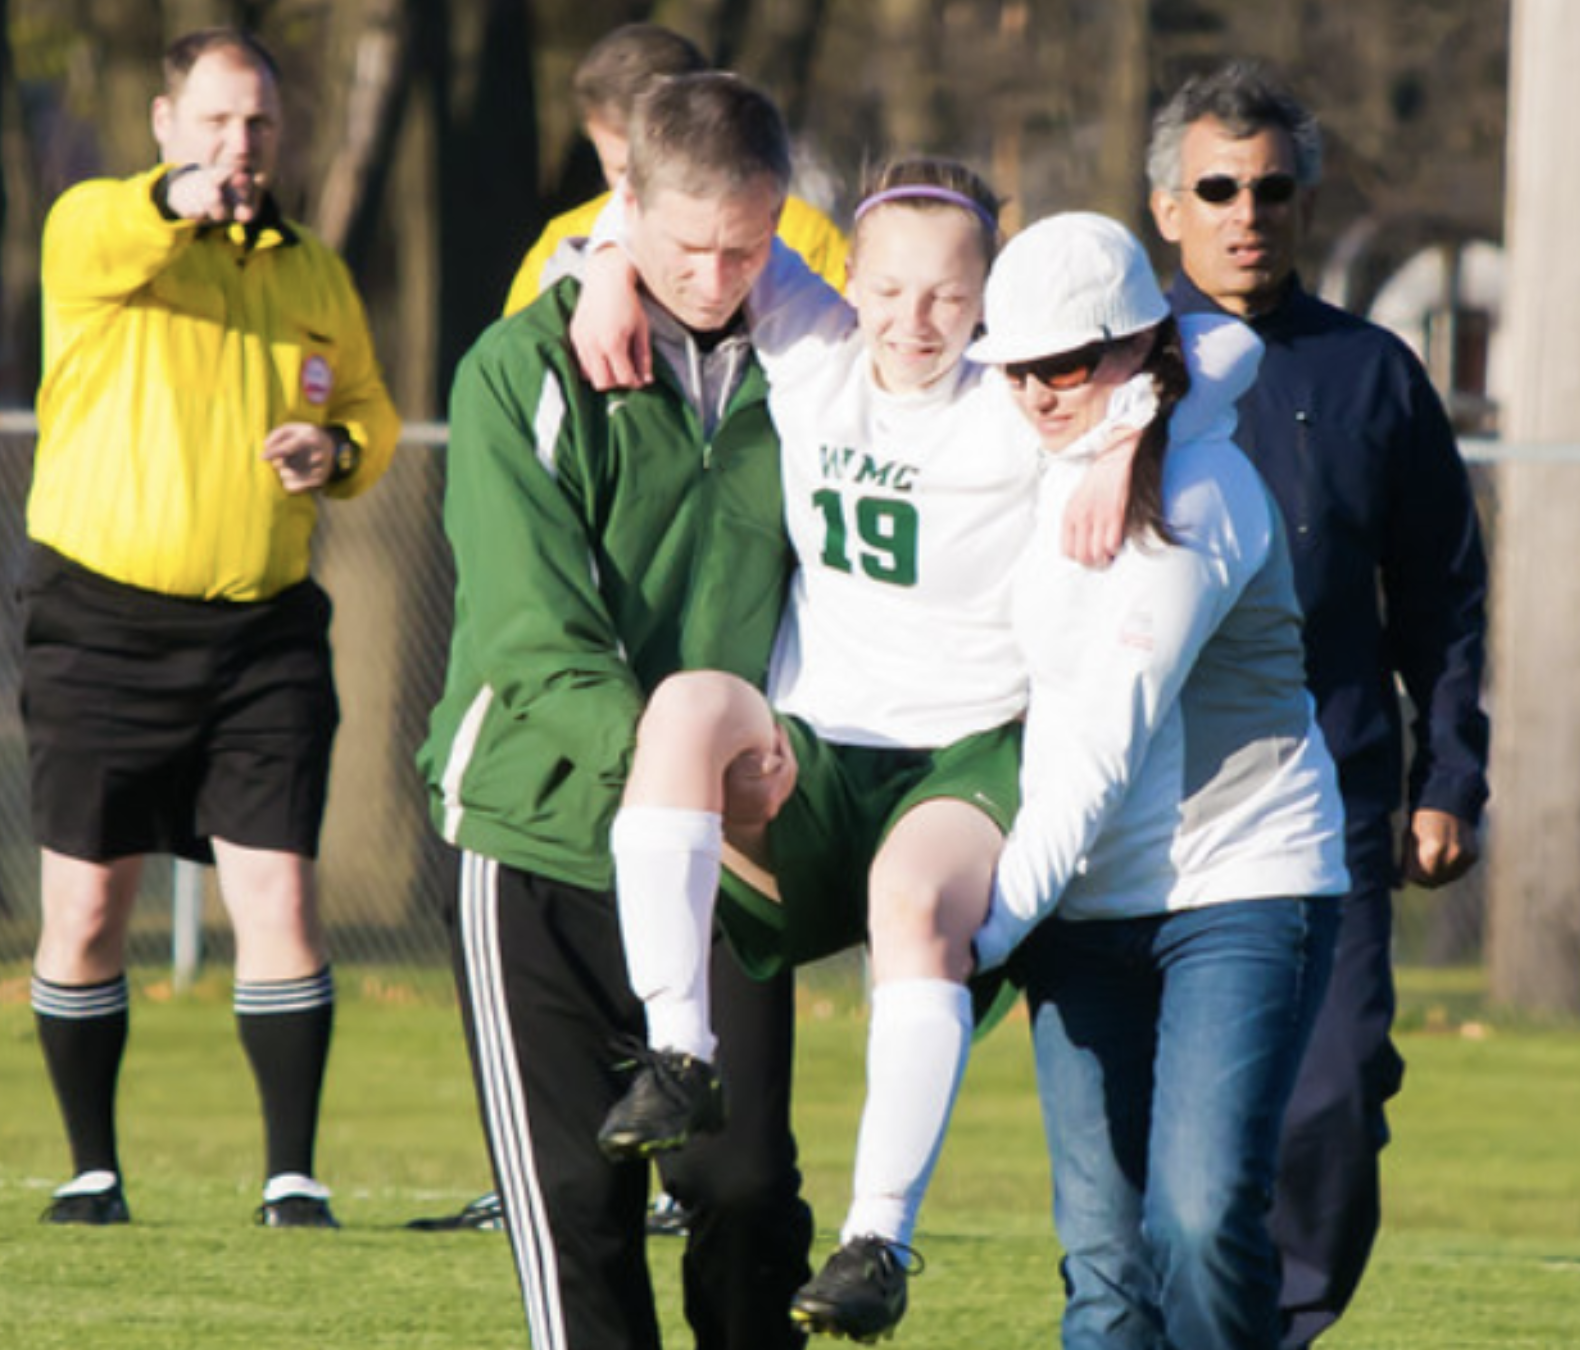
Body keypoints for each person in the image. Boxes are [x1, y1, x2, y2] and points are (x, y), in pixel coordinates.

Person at [568, 160, 1131, 1342]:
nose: (910, 321)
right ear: (848, 281)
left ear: (986, 298)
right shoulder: (811, 339)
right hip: (819, 743)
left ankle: (877, 1240)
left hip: (961, 751)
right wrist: (608, 270)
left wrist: (1125, 439)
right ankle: (680, 1050)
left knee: (910, 900)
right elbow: (670, 208)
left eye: (944, 295)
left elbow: (1197, 363)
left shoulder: (1011, 393)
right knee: (679, 712)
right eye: (886, 290)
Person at [418, 72, 811, 1350]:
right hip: (539, 839)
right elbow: (535, 638)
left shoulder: (810, 371)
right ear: (623, 205)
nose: (713, 276)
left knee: (747, 1196)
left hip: (726, 859)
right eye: (688, 246)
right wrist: (675, 772)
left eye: (746, 247)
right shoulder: (518, 370)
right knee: (580, 1224)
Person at [22, 26, 399, 1229]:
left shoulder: (311, 273)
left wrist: (333, 449)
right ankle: (91, 1170)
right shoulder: (97, 231)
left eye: (263, 126)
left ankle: (292, 1177)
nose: (244, 146)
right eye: (220, 121)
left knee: (278, 898)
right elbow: (127, 225)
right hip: (97, 624)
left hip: (262, 636)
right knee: (86, 910)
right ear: (167, 123)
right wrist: (184, 199)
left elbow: (375, 414)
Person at [1145, 61, 1490, 1347]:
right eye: (1217, 188)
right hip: (1146, 821)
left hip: (1330, 814)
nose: (1248, 212)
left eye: (1273, 188)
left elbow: (1442, 597)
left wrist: (1447, 777)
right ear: (1165, 207)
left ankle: (1279, 1329)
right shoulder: (1111, 367)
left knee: (1332, 1104)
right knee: (1164, 1151)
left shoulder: (1373, 375)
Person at [965, 211, 1350, 1350]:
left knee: (1191, 1218)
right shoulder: (1050, 462)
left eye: (1066, 364)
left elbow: (1096, 739)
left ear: (1137, 347)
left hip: (1235, 886)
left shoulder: (1202, 496)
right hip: (1081, 909)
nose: (1035, 393)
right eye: (1014, 368)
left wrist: (975, 936)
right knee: (1103, 1269)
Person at [502, 22, 846, 315]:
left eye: (739, 251)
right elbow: (517, 361)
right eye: (621, 171)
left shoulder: (802, 237)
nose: (635, 192)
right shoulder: (563, 245)